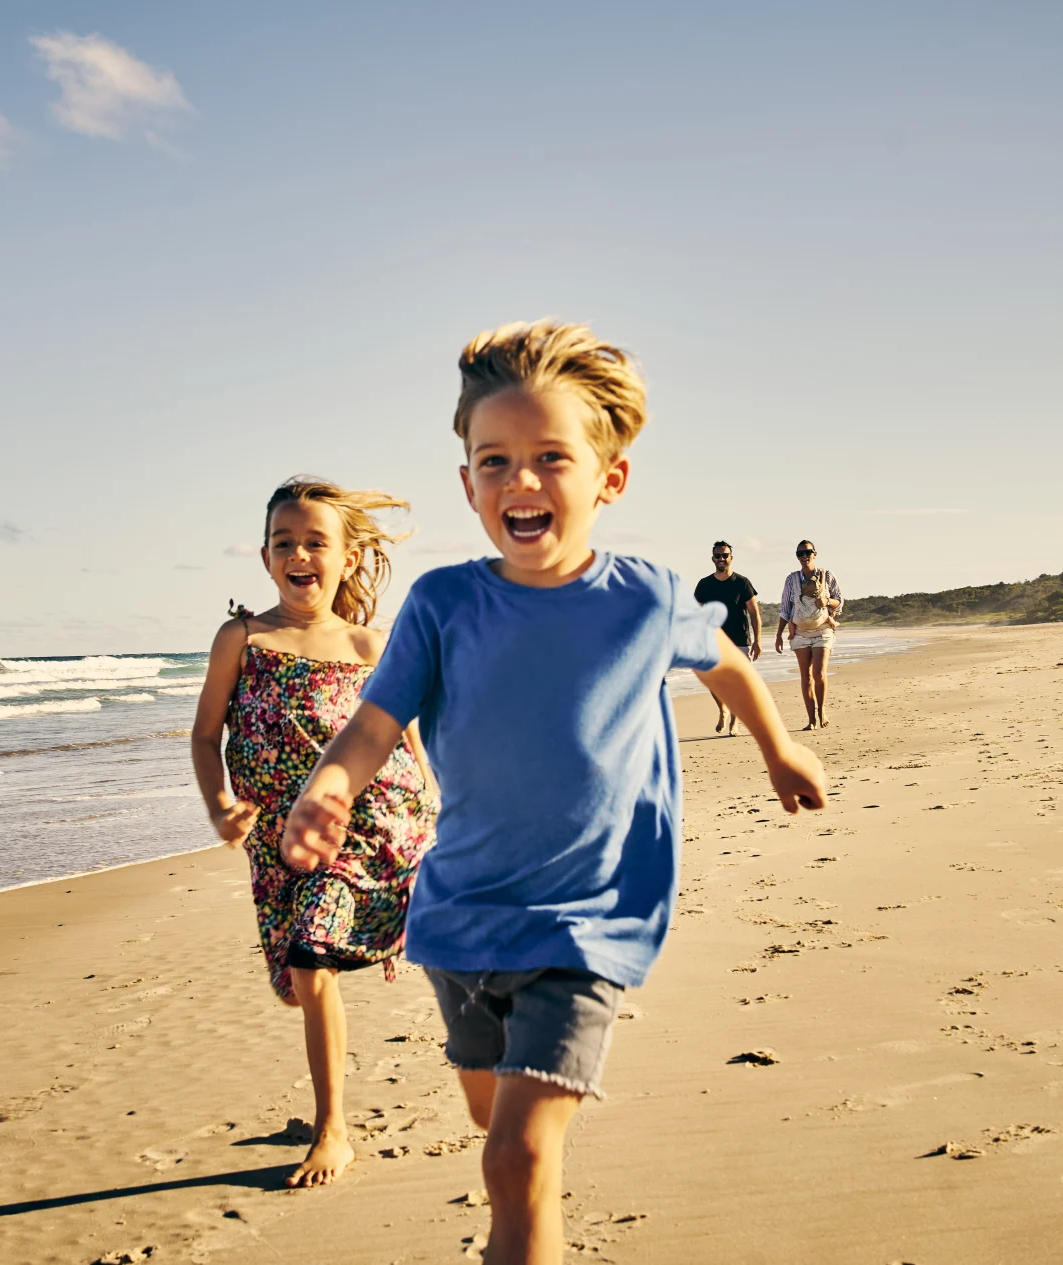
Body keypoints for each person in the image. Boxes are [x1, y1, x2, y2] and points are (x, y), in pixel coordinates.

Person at [277, 322, 828, 1264]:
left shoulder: (643, 597)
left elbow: (727, 659)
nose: (519, 482)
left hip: (588, 921)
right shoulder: (445, 603)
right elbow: (375, 722)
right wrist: (329, 784)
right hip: (459, 922)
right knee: (507, 1157)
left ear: (609, 478)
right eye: (495, 461)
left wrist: (779, 749)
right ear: (467, 484)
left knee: (518, 1155)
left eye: (549, 459)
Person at [190, 477, 437, 1189]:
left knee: (311, 957)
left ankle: (334, 1130)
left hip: (372, 827)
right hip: (279, 843)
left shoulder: (368, 643)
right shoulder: (242, 638)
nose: (299, 553)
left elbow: (411, 743)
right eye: (284, 542)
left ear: (349, 557)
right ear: (266, 556)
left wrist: (440, 804)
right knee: (300, 978)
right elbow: (207, 736)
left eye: (315, 542)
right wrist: (220, 804)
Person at [693, 541, 761, 735]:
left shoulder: (742, 582)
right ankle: (722, 709)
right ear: (712, 558)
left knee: (738, 683)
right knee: (714, 680)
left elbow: (754, 612)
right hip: (714, 641)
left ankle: (734, 721)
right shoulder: (704, 584)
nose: (721, 559)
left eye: (725, 555)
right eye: (718, 555)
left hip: (740, 639)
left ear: (731, 557)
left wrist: (757, 641)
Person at [774, 540, 843, 730]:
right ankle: (811, 719)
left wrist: (827, 600)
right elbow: (785, 609)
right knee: (806, 677)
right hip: (800, 633)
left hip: (823, 631)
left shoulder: (827, 575)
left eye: (808, 552)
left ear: (815, 554)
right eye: (800, 553)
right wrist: (779, 635)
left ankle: (821, 712)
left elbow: (840, 601)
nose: (805, 556)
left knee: (819, 673)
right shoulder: (792, 579)